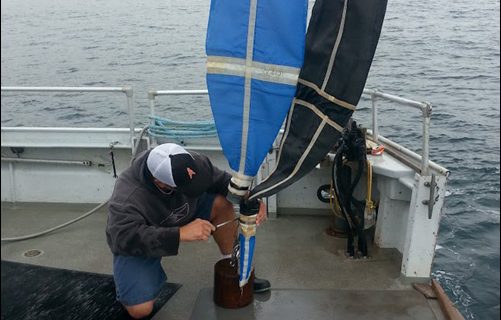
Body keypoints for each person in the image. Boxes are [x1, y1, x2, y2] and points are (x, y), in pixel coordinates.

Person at [106, 143, 270, 319]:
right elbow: (123, 238)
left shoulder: (194, 163)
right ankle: (127, 286)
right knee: (140, 310)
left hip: (184, 212)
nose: (195, 186)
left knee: (221, 203)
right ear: (160, 183)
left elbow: (223, 182)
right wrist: (180, 234)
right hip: (144, 236)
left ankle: (235, 266)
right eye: (187, 187)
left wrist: (251, 199)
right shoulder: (128, 195)